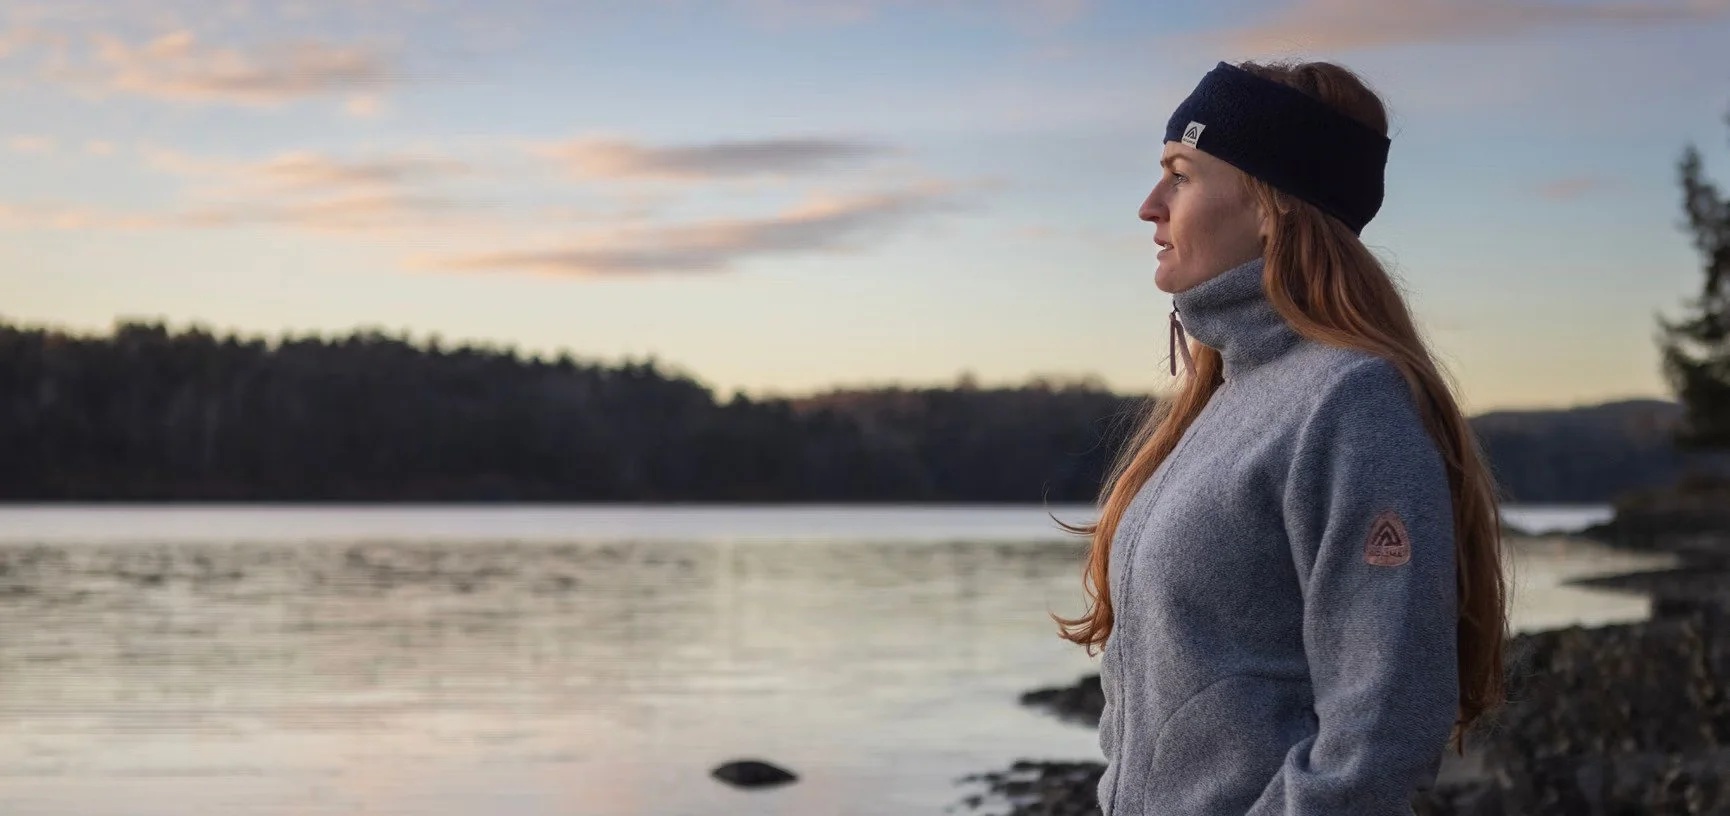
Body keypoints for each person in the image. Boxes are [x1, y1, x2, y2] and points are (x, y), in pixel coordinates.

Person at [1050, 59, 1511, 815]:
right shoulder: (1220, 400)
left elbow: (1379, 740)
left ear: (1271, 206)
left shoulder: (1353, 404)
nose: (1149, 206)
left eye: (1181, 174)